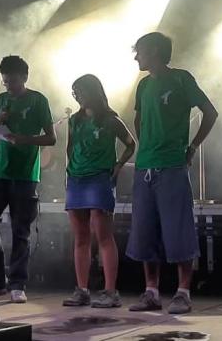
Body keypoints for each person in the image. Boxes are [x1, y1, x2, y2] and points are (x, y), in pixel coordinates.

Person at [127, 32, 218, 315]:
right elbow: (138, 118)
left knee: (178, 228)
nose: (136, 57)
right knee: (145, 229)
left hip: (173, 166)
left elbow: (210, 112)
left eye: (140, 51)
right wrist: (146, 144)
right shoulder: (143, 85)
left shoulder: (181, 78)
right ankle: (151, 292)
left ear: (155, 51)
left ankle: (183, 292)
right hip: (145, 166)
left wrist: (192, 147)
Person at [0, 55, 56, 304]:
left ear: (25, 77)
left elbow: (51, 138)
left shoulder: (38, 100)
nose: (8, 86)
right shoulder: (1, 100)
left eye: (12, 81)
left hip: (25, 175)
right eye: (5, 81)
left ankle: (17, 284)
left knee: (21, 231)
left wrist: (24, 139)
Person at [61, 74, 136, 308]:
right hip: (76, 179)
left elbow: (131, 144)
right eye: (75, 93)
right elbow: (70, 148)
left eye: (80, 92)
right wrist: (70, 172)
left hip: (99, 178)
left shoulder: (111, 120)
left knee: (103, 234)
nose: (77, 97)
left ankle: (111, 292)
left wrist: (118, 166)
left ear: (93, 91)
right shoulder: (75, 120)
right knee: (80, 236)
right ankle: (82, 290)